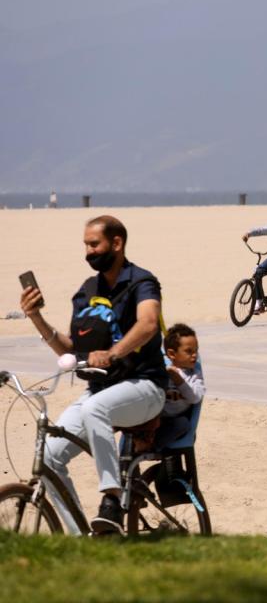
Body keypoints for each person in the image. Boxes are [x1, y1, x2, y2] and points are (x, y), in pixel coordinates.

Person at [19, 215, 166, 534]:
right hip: (100, 392)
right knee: (50, 457)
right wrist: (36, 318)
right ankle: (80, 539)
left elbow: (149, 323)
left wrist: (113, 353)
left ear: (117, 243)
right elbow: (71, 351)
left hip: (145, 387)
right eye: (85, 245)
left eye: (94, 244)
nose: (88, 252)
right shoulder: (86, 291)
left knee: (93, 407)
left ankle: (111, 499)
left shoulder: (141, 282)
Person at [157, 323, 205, 448]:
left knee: (183, 425)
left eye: (196, 350)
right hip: (156, 418)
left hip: (176, 419)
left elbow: (195, 398)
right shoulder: (162, 370)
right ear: (172, 354)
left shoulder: (194, 374)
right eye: (189, 351)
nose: (194, 355)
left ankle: (152, 445)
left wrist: (179, 379)